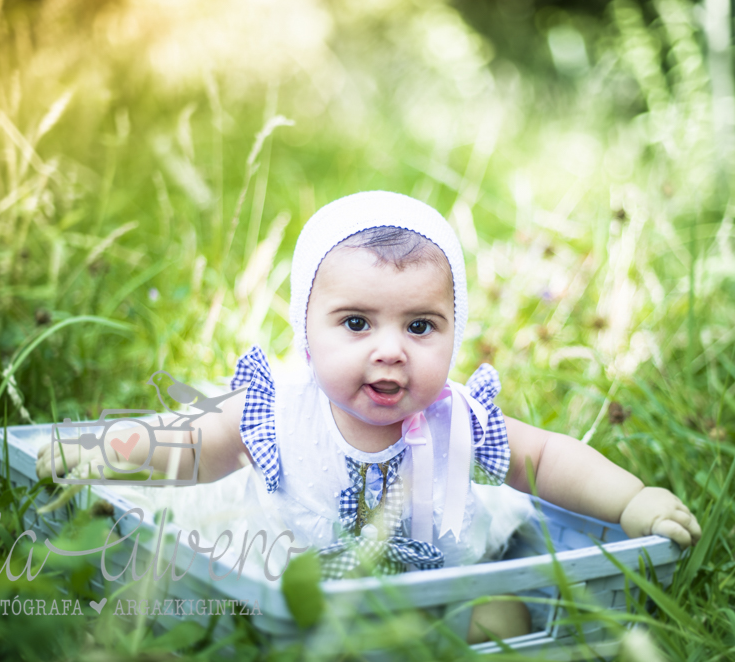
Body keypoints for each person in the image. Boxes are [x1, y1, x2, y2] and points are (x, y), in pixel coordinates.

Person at [38, 191, 701, 642]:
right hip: (296, 577)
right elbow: (193, 444)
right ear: (306, 332)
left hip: (436, 577)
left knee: (503, 618)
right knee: (244, 610)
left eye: (420, 325)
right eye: (356, 322)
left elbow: (549, 460)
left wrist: (633, 500)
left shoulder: (459, 421)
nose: (390, 350)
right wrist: (102, 450)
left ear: (454, 333)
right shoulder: (279, 412)